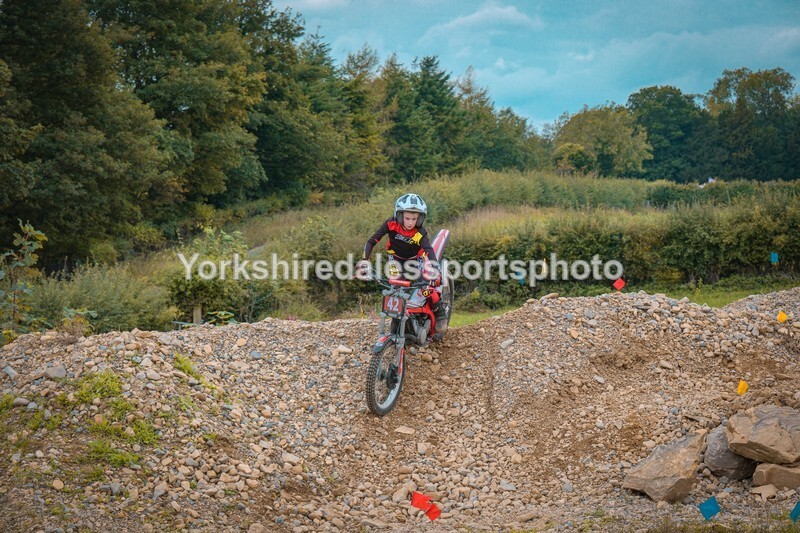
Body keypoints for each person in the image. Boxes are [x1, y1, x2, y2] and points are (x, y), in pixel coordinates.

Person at [358, 193, 448, 332]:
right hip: (395, 259)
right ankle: (402, 323)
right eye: (407, 218)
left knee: (426, 289)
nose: (410, 222)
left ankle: (440, 313)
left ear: (420, 218)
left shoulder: (420, 232)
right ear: (399, 215)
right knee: (396, 291)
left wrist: (435, 270)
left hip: (416, 260)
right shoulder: (390, 224)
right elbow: (371, 241)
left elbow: (429, 250)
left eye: (414, 218)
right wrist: (364, 261)